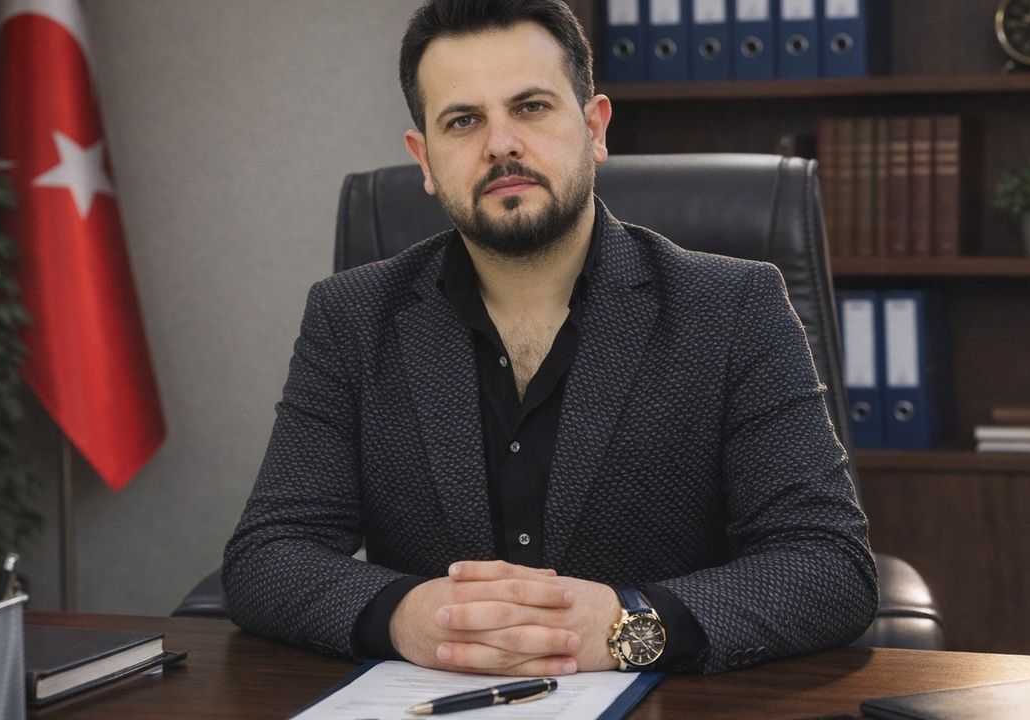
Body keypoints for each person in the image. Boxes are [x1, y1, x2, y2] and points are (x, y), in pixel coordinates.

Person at [223, 0, 877, 677]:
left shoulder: (734, 307)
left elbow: (829, 563)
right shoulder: (351, 318)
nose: (500, 144)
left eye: (531, 107)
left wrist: (628, 624)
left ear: (594, 128)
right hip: (434, 698)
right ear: (425, 159)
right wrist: (407, 617)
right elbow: (267, 554)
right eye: (463, 121)